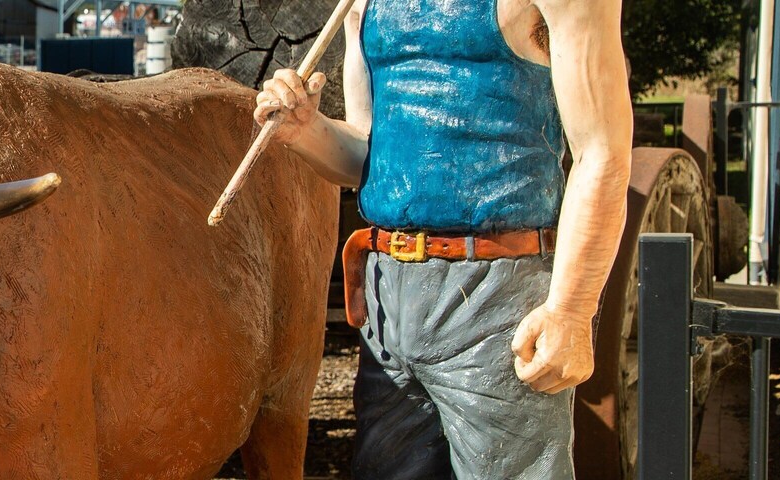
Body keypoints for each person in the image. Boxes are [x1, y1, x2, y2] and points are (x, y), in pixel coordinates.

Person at [252, 0, 631, 477]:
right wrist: (307, 130)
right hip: (389, 295)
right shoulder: (362, 7)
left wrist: (573, 307)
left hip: (498, 296)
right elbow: (369, 157)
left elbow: (602, 151)